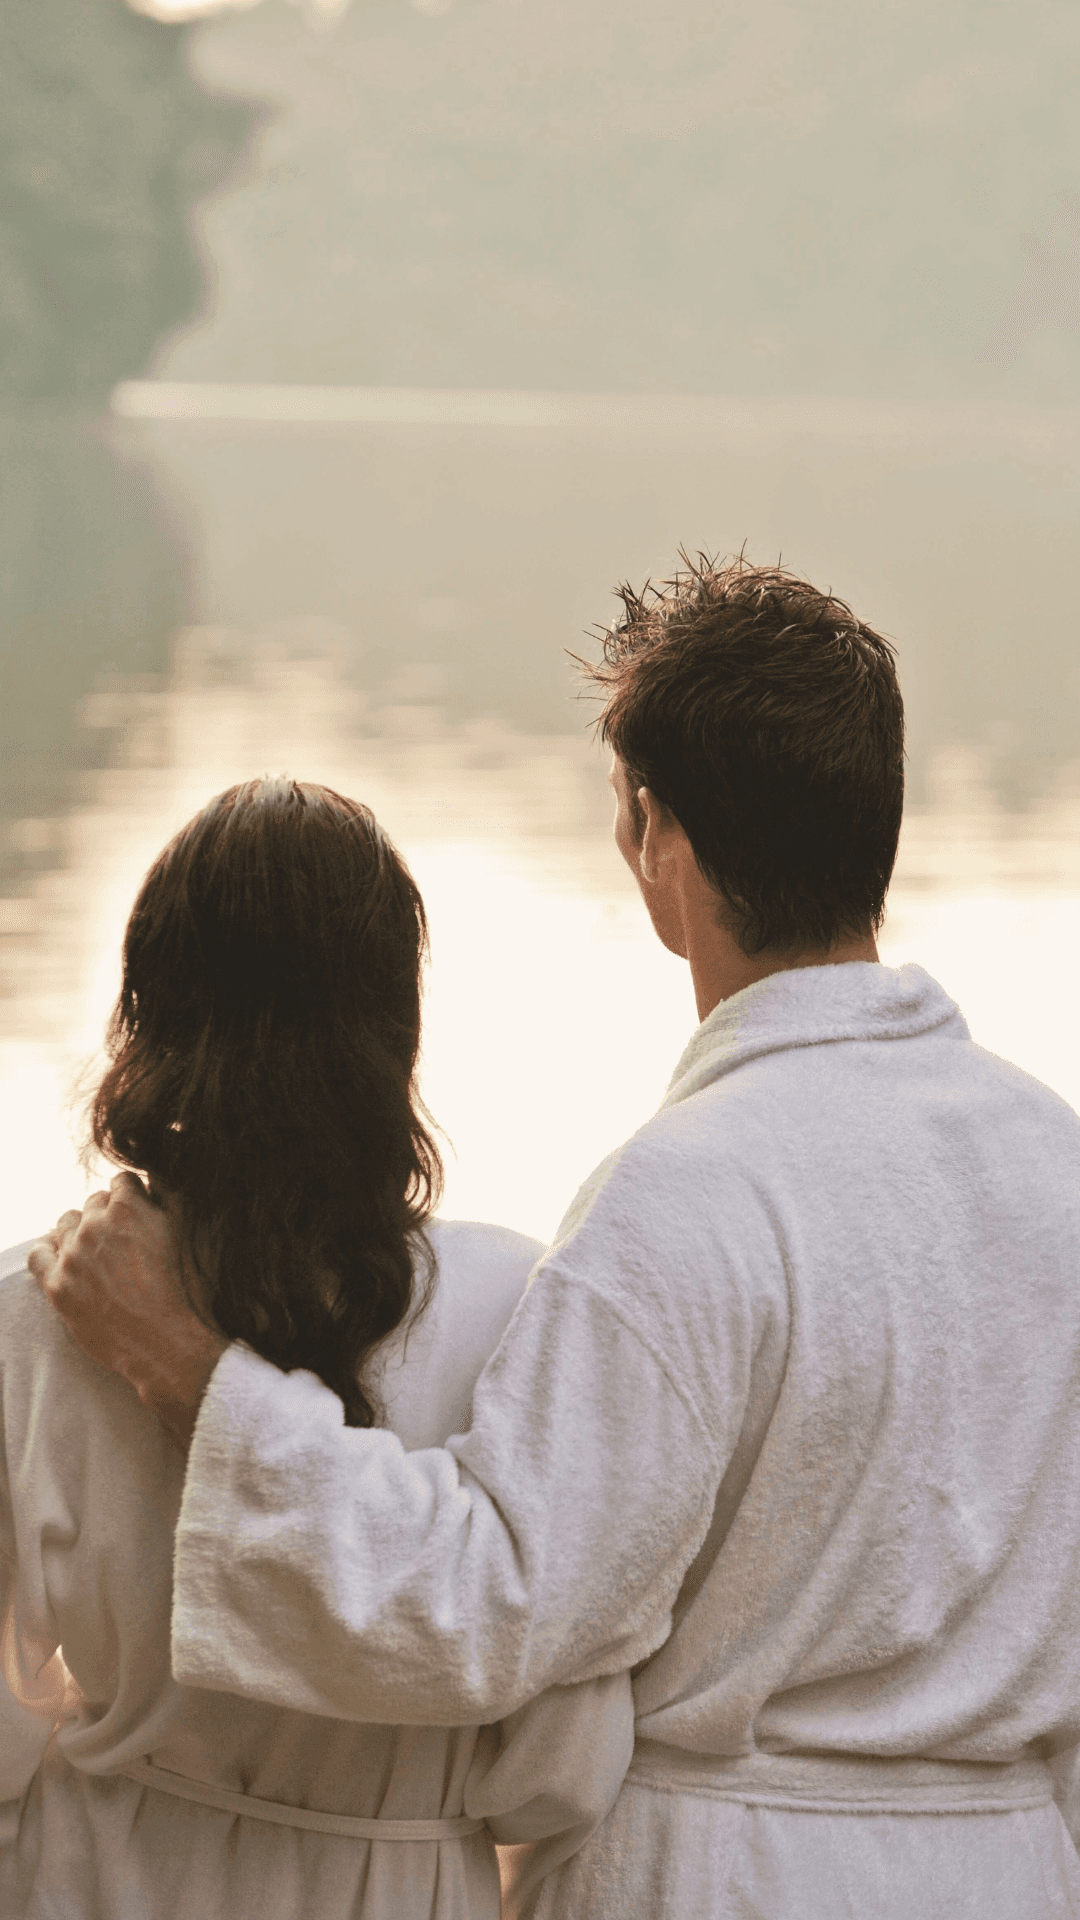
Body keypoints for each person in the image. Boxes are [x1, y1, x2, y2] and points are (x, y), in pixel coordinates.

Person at [33, 553, 1080, 1918]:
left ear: (658, 838)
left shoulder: (687, 1194)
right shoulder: (1053, 1161)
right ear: (873, 817)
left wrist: (202, 1378)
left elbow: (487, 1609)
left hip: (728, 1880)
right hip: (1009, 1867)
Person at [1, 777, 633, 1919]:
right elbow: (563, 1767)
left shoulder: (40, 1308)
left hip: (96, 1880)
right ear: (396, 1031)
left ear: (151, 1015)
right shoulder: (519, 1307)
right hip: (401, 1884)